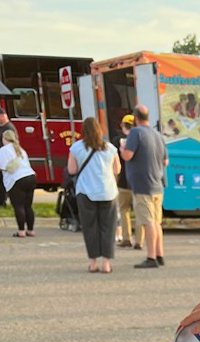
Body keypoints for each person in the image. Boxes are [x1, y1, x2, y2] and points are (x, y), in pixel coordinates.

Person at [67, 116, 121, 274]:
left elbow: (72, 170)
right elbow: (117, 170)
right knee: (108, 228)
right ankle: (106, 263)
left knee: (90, 228)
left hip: (85, 192)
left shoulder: (76, 148)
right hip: (108, 192)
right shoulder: (110, 148)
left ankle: (93, 263)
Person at [121, 104, 169, 269]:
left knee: (148, 222)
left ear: (135, 118)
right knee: (156, 222)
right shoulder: (158, 135)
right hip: (157, 184)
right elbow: (165, 161)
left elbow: (128, 155)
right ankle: (159, 254)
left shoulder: (136, 133)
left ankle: (151, 257)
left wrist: (122, 148)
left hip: (143, 185)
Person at [0, 128, 37, 238]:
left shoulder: (3, 150)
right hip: (31, 176)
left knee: (18, 206)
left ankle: (21, 231)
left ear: (5, 139)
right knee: (28, 206)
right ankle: (31, 230)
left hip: (17, 179)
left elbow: (3, 167)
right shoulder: (21, 150)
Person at [116, 115, 143, 250]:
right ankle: (139, 240)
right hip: (138, 182)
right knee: (139, 211)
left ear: (123, 126)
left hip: (123, 181)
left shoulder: (117, 141)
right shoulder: (140, 139)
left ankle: (126, 238)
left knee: (124, 210)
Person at [0, 108, 17, 205]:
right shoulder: (1, 127)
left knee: (5, 180)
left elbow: (13, 143)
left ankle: (2, 201)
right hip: (2, 157)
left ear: (2, 115)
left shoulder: (9, 127)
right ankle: (2, 200)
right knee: (3, 180)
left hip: (8, 159)